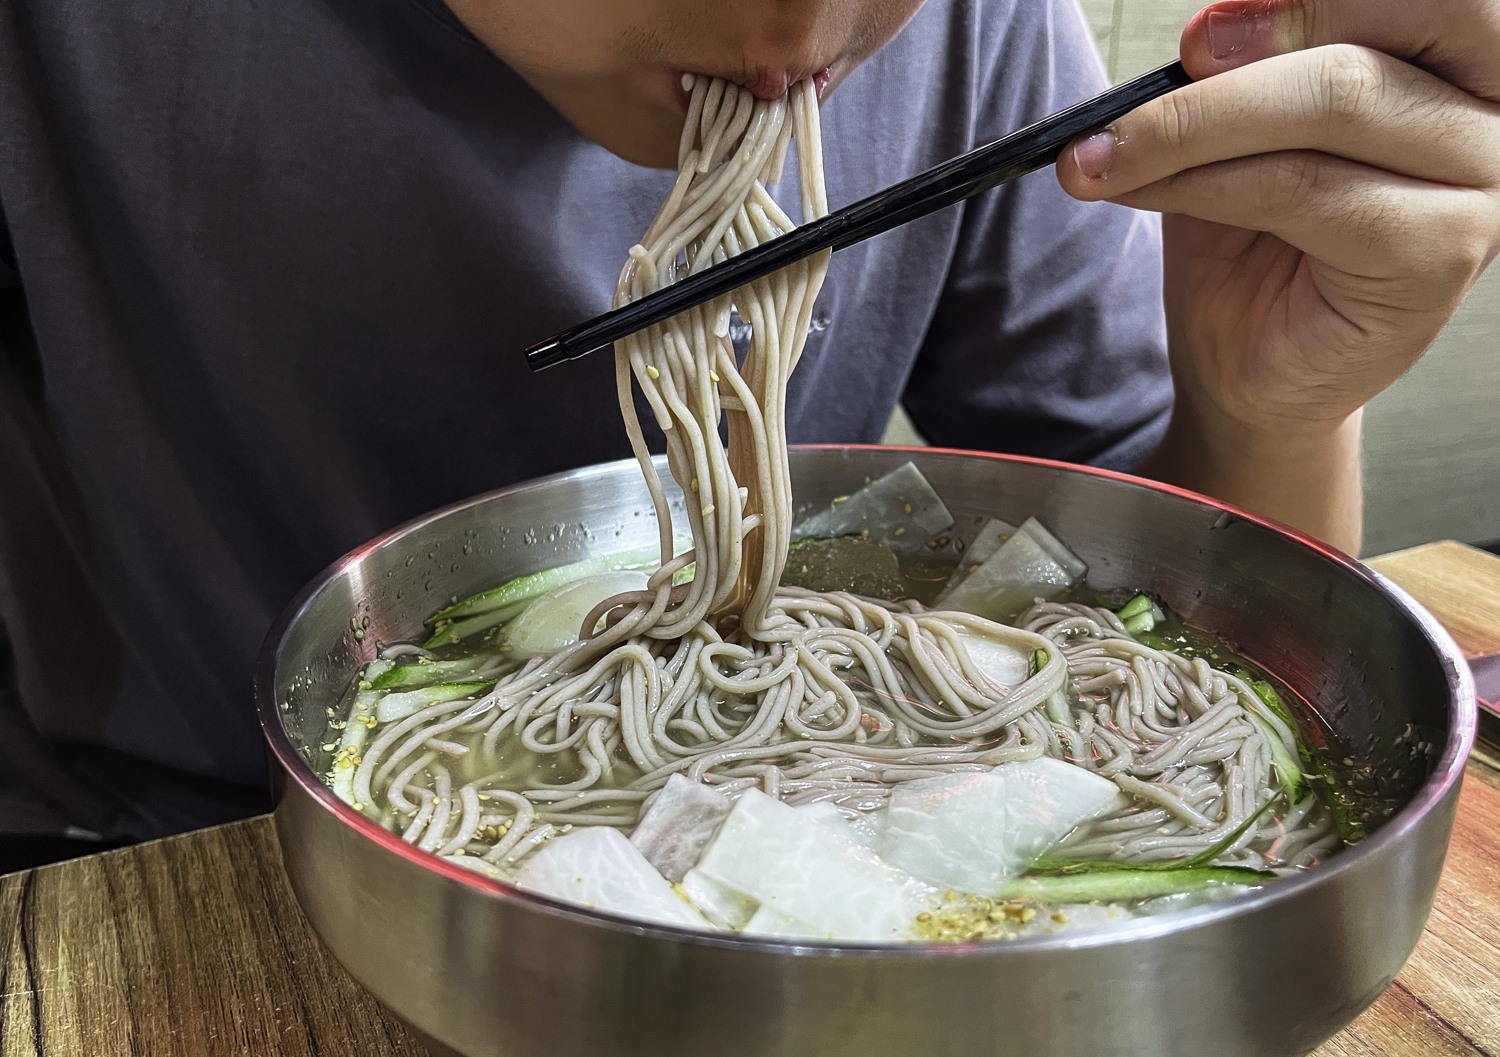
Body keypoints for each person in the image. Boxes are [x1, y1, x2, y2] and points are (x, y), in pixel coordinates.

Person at [0, 0, 1495, 855]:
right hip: (137, 856)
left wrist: (1268, 405)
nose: (798, 21)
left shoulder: (969, 23)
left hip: (809, 866)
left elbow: (1177, 627)